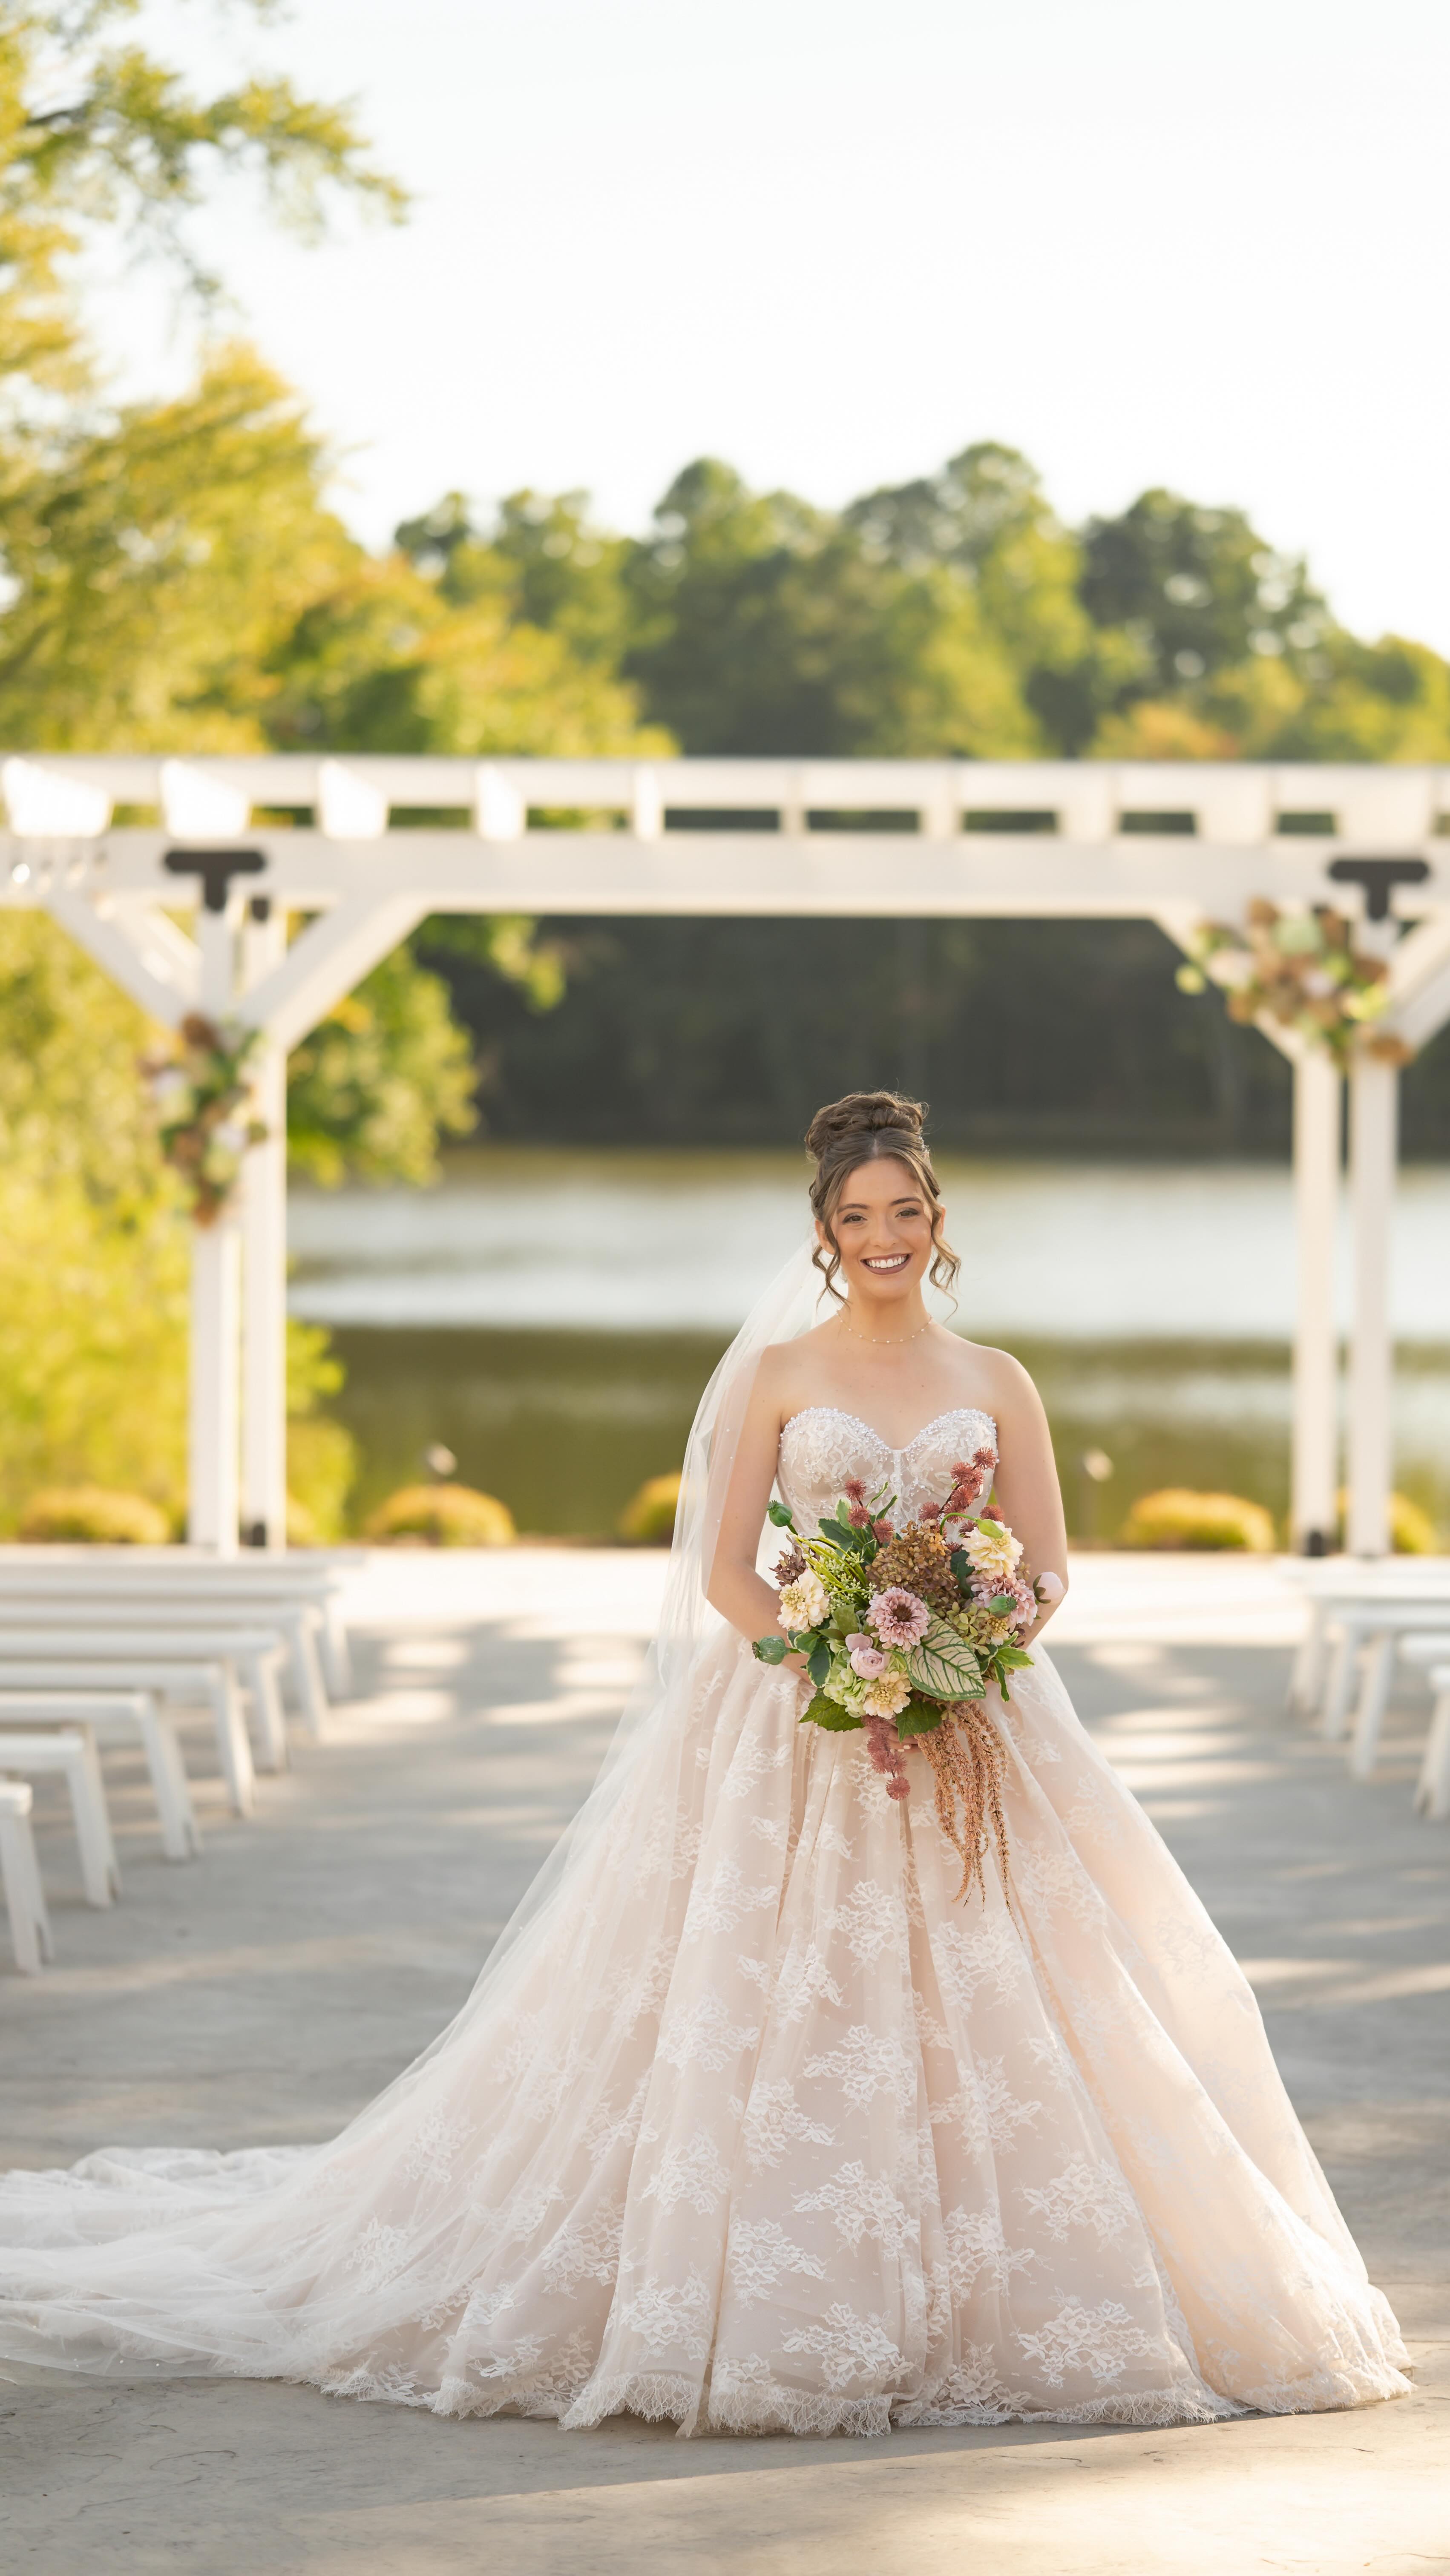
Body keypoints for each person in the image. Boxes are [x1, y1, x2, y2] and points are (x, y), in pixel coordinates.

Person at [0, 1092, 1409, 2435]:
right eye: (857, 1213)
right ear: (821, 1227)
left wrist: (968, 1648)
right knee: (759, 2000)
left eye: (904, 1208)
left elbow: (1046, 1567)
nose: (882, 1235)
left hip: (978, 1720)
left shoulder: (998, 1380)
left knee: (1050, 1996)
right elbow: (729, 1571)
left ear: (938, 1218)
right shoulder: (779, 1376)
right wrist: (833, 1658)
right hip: (793, 1718)